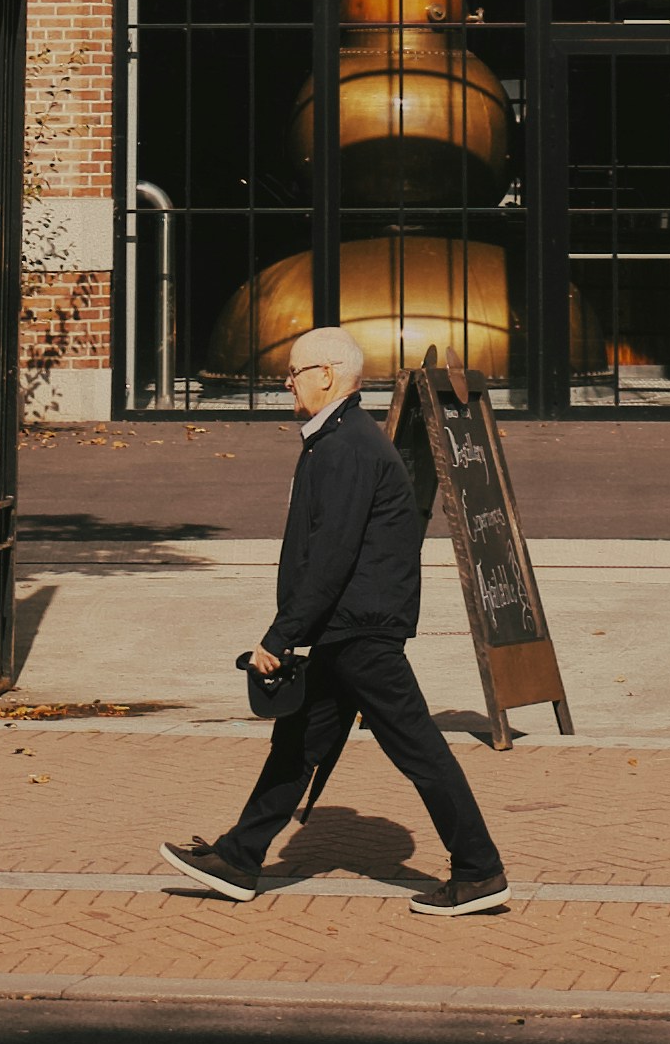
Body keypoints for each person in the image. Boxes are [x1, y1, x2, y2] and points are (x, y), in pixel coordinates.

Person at [158, 326, 513, 915]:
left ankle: (480, 871)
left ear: (327, 375)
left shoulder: (348, 446)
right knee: (297, 743)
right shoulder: (338, 439)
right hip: (348, 628)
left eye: (294, 373)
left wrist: (281, 636)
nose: (288, 384)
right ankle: (239, 858)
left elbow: (331, 553)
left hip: (360, 632)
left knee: (419, 750)